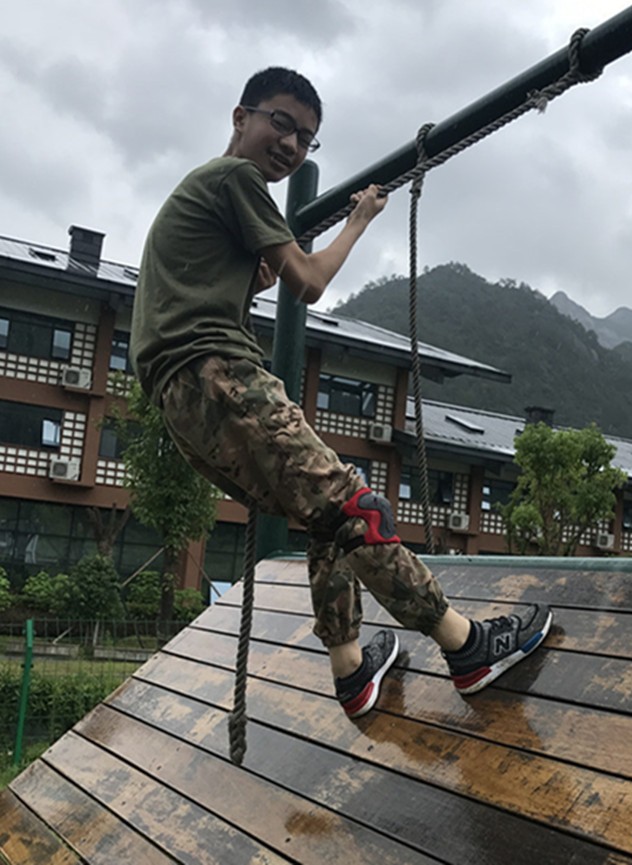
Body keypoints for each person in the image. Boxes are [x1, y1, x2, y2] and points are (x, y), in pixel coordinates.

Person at [130, 66, 552, 718]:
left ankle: (351, 668)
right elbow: (309, 281)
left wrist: (255, 269)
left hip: (184, 403)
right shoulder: (236, 178)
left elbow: (247, 277)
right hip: (221, 377)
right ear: (241, 117)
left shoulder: (210, 196)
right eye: (281, 123)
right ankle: (467, 646)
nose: (291, 145)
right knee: (359, 509)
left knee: (326, 515)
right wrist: (358, 220)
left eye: (306, 138)